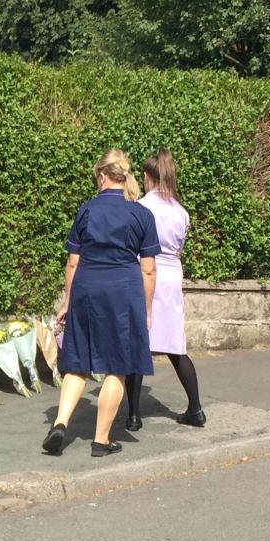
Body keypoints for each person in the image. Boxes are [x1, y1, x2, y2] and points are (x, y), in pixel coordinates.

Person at [42, 149, 160, 457]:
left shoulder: (86, 210)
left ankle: (60, 423)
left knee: (77, 362)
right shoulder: (141, 214)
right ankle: (101, 439)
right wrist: (146, 309)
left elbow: (72, 261)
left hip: (87, 288)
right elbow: (148, 269)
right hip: (123, 291)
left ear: (102, 176)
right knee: (117, 366)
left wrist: (67, 300)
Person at [124, 149, 205, 429]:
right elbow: (178, 248)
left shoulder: (141, 207)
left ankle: (133, 415)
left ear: (146, 176)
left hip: (146, 271)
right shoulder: (181, 212)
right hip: (171, 274)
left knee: (138, 343)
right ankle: (196, 408)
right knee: (175, 345)